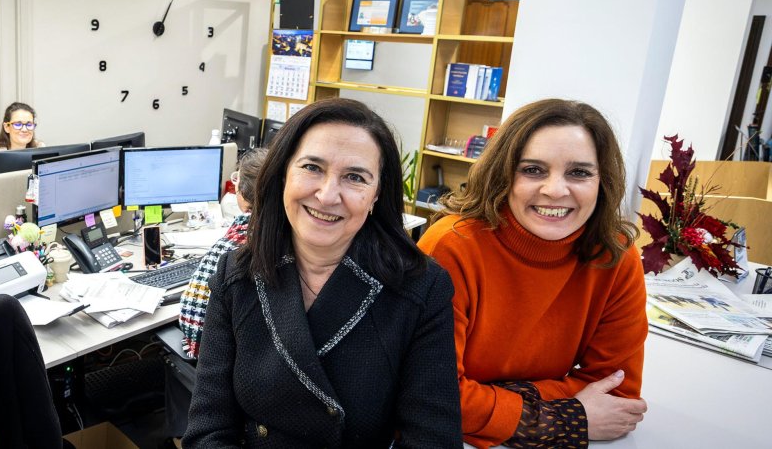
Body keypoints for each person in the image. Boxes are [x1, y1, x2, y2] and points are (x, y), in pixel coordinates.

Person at [183, 98, 461, 448]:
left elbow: (433, 440)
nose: (328, 195)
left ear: (376, 194)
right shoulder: (236, 275)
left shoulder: (421, 288)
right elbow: (208, 432)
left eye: (355, 177)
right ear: (284, 173)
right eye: (312, 167)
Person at [417, 99, 648, 448]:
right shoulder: (451, 247)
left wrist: (489, 401)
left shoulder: (616, 254)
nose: (555, 190)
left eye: (579, 173)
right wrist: (565, 417)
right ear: (504, 175)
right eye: (533, 170)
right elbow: (432, 396)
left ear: (603, 181)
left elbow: (617, 394)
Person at [164, 148, 268, 444]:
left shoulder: (230, 248)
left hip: (221, 382)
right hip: (261, 375)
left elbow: (193, 320)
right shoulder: (288, 237)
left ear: (242, 194)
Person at [0, 102, 43, 175]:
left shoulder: (40, 147)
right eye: (18, 124)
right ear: (7, 127)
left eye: (29, 124)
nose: (24, 129)